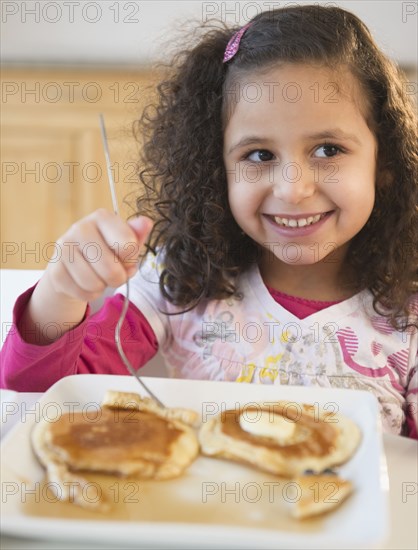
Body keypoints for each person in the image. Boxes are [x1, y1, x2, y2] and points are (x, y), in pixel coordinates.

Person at [1, 5, 417, 438]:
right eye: (259, 155)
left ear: (383, 161)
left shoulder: (409, 312)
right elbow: (40, 391)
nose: (293, 189)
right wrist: (61, 292)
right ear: (217, 169)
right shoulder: (180, 281)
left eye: (328, 150)